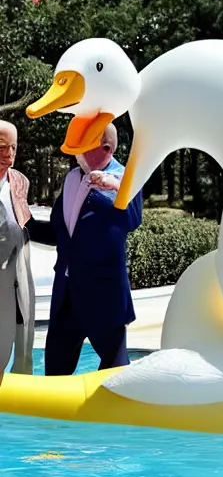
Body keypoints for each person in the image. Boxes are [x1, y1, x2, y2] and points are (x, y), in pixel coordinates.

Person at [25, 123, 143, 375]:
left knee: (116, 373)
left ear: (106, 148)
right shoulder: (72, 179)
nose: (77, 152)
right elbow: (59, 233)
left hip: (104, 296)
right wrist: (21, 216)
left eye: (84, 145)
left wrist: (114, 187)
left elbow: (132, 221)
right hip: (66, 296)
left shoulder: (126, 179)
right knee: (55, 375)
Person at [0, 120, 35, 384]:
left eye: (13, 147)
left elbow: (24, 221)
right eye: (2, 147)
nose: (9, 154)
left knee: (24, 331)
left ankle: (21, 392)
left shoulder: (20, 180)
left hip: (19, 264)